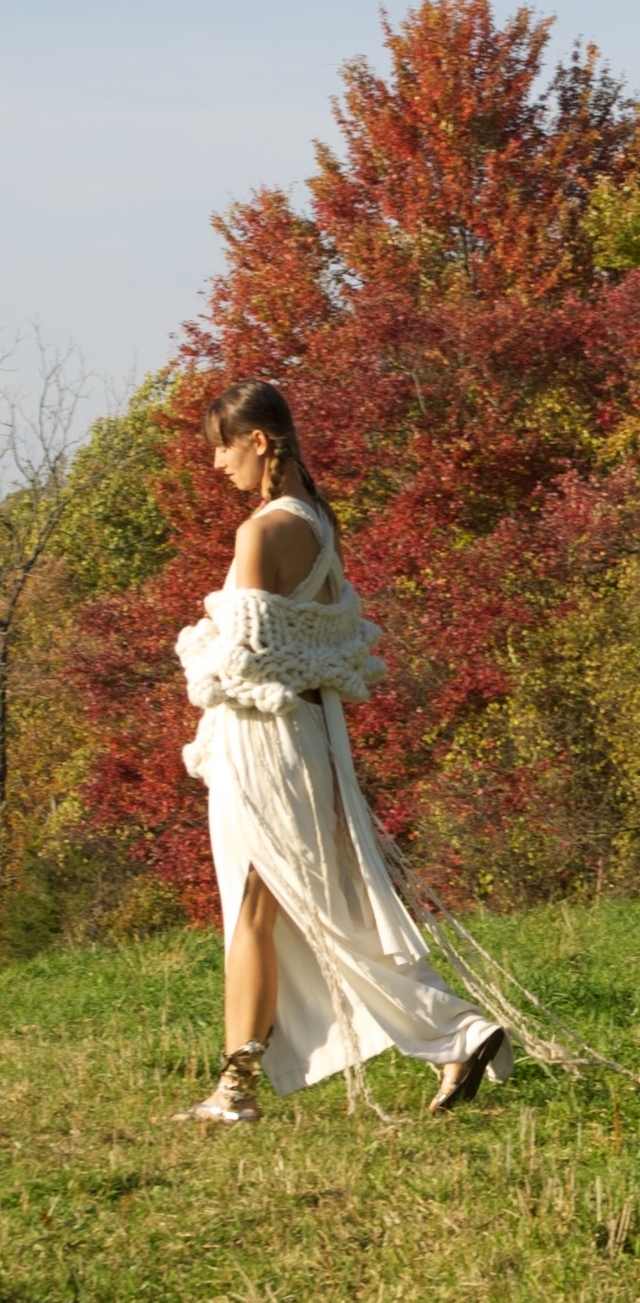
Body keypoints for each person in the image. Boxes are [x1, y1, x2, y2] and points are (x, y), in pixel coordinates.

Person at [172, 381, 507, 1123]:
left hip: (263, 740)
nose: (218, 463)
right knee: (303, 905)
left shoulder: (260, 532)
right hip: (313, 736)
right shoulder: (321, 523)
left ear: (258, 440)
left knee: (258, 909)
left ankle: (241, 1090)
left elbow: (246, 661)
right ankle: (445, 1037)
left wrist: (201, 650)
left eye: (223, 446)